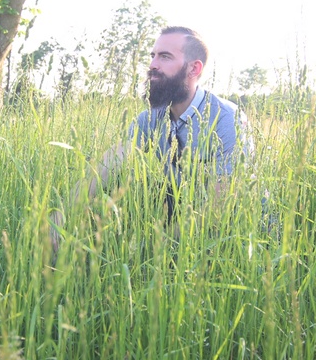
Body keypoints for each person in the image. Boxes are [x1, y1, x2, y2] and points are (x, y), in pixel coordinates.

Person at [50, 26, 252, 252]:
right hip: (181, 217)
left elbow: (218, 210)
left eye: (165, 57)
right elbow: (107, 166)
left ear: (194, 68)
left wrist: (151, 251)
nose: (153, 65)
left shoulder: (226, 120)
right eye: (153, 56)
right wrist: (61, 217)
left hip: (234, 237)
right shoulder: (150, 119)